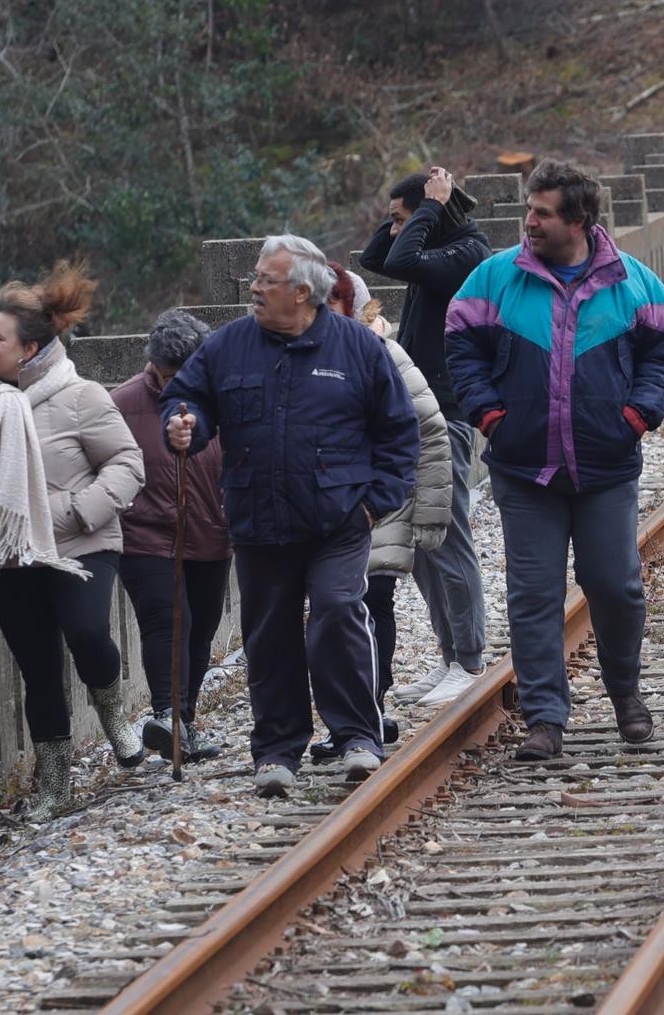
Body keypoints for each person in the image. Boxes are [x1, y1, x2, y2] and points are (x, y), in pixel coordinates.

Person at [444, 159, 664, 762]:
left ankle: (625, 692)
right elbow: (459, 340)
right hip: (526, 469)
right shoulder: (496, 277)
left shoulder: (630, 281)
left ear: (578, 220)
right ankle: (545, 718)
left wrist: (638, 415)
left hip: (605, 467)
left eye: (542, 213)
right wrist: (490, 415)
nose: (529, 222)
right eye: (530, 209)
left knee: (616, 586)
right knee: (533, 594)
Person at [162, 235, 420, 797]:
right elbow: (187, 399)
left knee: (336, 612)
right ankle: (277, 752)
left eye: (265, 280)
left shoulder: (357, 347)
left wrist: (375, 502)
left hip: (340, 521)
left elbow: (401, 432)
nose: (252, 288)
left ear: (302, 292)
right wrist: (184, 425)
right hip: (258, 519)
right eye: (255, 277)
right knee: (269, 634)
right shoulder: (228, 345)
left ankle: (357, 737)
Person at [0, 262, 146, 822]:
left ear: (31, 347)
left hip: (80, 546)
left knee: (87, 633)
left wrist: (73, 512)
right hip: (10, 552)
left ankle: (113, 711)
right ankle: (55, 784)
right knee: (38, 669)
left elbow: (127, 461)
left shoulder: (80, 397)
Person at [305, 264, 453, 763]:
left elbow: (431, 432)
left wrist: (429, 514)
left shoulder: (386, 355)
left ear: (353, 305)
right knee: (330, 616)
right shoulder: (292, 357)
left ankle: (369, 708)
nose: (322, 313)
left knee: (371, 605)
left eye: (332, 302)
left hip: (381, 506)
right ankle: (345, 718)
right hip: (321, 511)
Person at [358, 167, 492, 705]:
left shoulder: (467, 253)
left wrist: (432, 206)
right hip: (418, 415)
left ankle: (472, 657)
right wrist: (410, 215)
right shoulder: (429, 254)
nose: (392, 231)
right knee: (425, 543)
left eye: (399, 219)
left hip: (450, 416)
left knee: (451, 537)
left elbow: (399, 259)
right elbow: (375, 259)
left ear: (433, 215)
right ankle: (449, 656)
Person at [111, 309, 232, 764]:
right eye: (169, 372)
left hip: (210, 531)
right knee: (166, 620)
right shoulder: (122, 404)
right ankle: (168, 715)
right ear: (154, 365)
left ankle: (184, 720)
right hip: (144, 535)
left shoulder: (221, 399)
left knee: (198, 629)